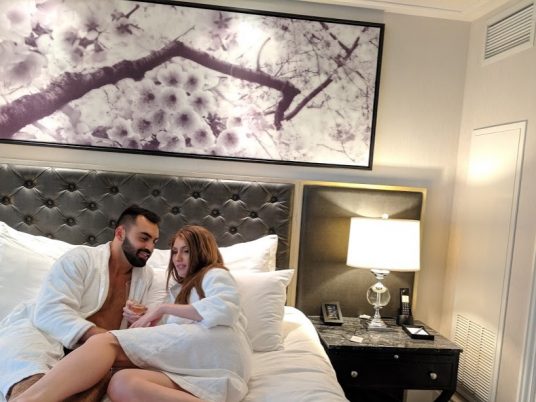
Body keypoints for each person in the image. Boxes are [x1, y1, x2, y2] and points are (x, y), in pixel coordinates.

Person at [11, 225, 253, 402]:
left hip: (219, 349)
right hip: (210, 369)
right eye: (174, 252)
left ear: (202, 251)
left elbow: (225, 309)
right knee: (123, 383)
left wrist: (162, 309)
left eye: (186, 251)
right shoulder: (179, 289)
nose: (178, 259)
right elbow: (173, 339)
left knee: (106, 341)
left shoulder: (214, 273)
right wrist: (145, 320)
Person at [0, 205, 164, 401]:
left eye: (154, 242)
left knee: (104, 379)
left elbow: (145, 334)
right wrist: (107, 340)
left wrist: (138, 320)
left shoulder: (147, 278)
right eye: (144, 238)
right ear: (120, 233)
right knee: (31, 371)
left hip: (95, 354)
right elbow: (49, 311)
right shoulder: (81, 258)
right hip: (43, 332)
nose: (150, 248)